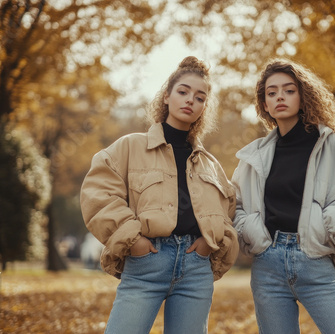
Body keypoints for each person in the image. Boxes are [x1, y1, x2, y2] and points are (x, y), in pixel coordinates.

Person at [80, 56, 239, 334]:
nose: (191, 100)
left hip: (195, 268)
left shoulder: (210, 164)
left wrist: (206, 243)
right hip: (146, 262)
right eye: (183, 92)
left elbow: (228, 211)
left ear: (204, 107)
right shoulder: (130, 146)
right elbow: (98, 194)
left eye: (200, 98)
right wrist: (135, 240)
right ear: (166, 96)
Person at [231, 58, 335, 334]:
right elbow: (236, 204)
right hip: (267, 266)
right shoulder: (253, 156)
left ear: (304, 97)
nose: (280, 96)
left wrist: (329, 225)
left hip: (314, 259)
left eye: (289, 90)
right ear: (264, 105)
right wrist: (250, 232)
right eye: (272, 92)